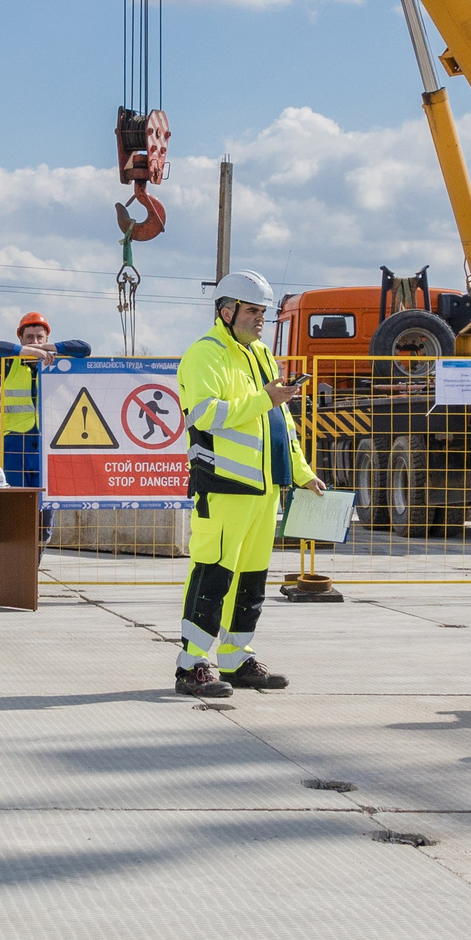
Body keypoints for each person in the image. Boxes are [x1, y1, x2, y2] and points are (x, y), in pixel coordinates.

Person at [172, 270, 321, 700]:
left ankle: (236, 660)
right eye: (254, 311)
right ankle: (191, 666)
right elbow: (205, 414)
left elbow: (282, 423)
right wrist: (265, 398)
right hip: (223, 487)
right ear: (227, 310)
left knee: (251, 580)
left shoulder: (260, 356)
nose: (261, 320)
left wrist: (300, 469)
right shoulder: (207, 353)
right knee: (213, 575)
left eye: (264, 313)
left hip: (263, 490)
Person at [0, 312, 92, 489]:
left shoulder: (56, 364)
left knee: (47, 501)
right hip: (15, 443)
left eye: (39, 337)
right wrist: (30, 351)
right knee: (18, 500)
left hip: (49, 441)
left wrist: (47, 348)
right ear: (20, 338)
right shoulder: (8, 364)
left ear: (47, 337)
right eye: (29, 338)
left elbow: (84, 348)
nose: (34, 341)